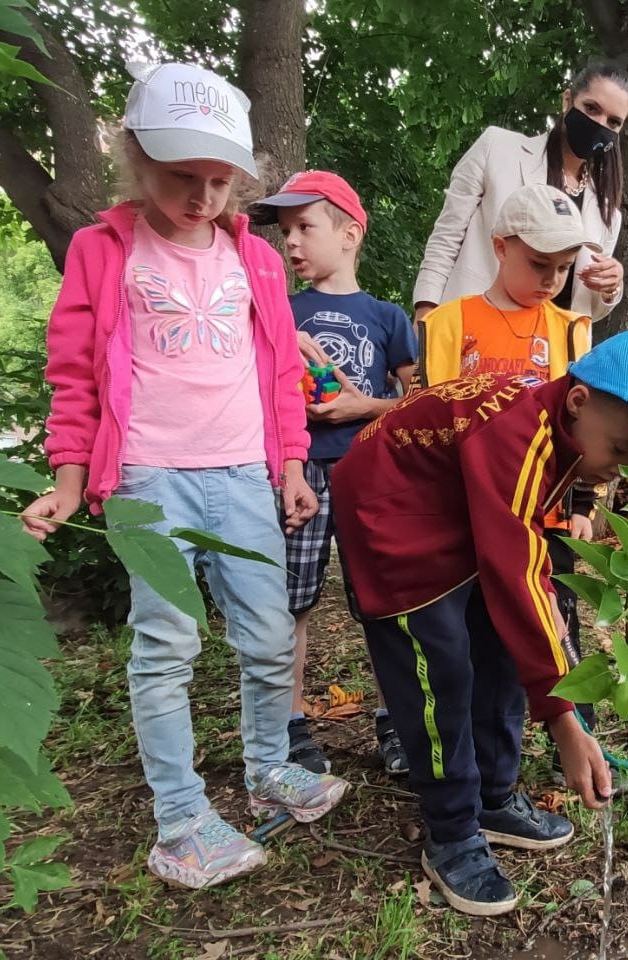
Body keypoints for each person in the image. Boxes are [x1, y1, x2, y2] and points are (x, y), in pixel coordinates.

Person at [19, 61, 347, 890]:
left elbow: (278, 376)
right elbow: (74, 375)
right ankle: (181, 819)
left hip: (243, 474)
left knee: (271, 637)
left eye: (218, 181)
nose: (202, 198)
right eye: (181, 178)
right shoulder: (104, 250)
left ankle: (270, 764)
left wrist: (292, 465)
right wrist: (67, 480)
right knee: (166, 645)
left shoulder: (257, 263)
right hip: (148, 479)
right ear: (135, 157)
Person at [330, 329, 628, 916]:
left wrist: (543, 604)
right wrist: (563, 719)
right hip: (390, 512)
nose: (615, 472)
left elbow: (524, 551)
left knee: (500, 646)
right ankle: (451, 830)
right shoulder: (517, 435)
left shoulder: (557, 427)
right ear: (579, 401)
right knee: (438, 666)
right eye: (621, 448)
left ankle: (493, 796)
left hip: (451, 505)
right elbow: (514, 575)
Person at [418, 183, 602, 773]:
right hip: (472, 514)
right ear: (500, 247)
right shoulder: (450, 323)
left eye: (563, 268)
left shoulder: (574, 329)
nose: (551, 279)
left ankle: (569, 734)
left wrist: (582, 501)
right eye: (538, 264)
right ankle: (471, 755)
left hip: (543, 513)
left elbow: (580, 424)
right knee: (474, 638)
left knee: (551, 621)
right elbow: (436, 418)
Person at [247, 171, 418, 776]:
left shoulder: (386, 316)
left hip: (368, 472)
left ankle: (395, 719)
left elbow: (419, 400)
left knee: (382, 600)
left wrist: (360, 408)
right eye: (284, 231)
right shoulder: (277, 311)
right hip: (297, 473)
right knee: (292, 601)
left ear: (350, 234)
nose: (290, 243)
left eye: (304, 227)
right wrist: (283, 337)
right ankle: (292, 724)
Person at [412, 60, 628, 326]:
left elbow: (587, 307)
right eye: (591, 108)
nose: (599, 124)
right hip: (469, 330)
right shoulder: (497, 148)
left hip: (550, 355)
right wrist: (425, 314)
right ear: (567, 101)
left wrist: (610, 287)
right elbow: (446, 237)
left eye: (613, 121)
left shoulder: (606, 212)